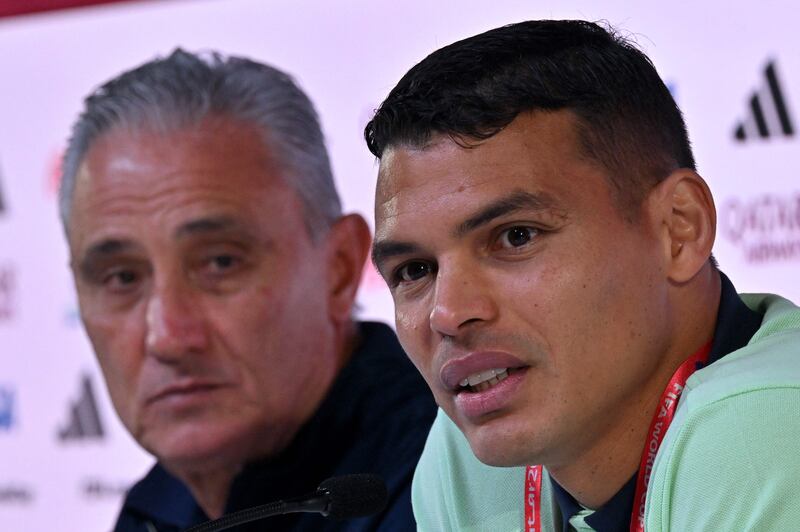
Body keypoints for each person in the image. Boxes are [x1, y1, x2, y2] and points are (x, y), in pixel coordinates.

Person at [365, 19, 800, 531]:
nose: (449, 313)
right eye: (415, 270)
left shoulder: (771, 428)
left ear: (678, 229)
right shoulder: (470, 461)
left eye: (516, 237)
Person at [59, 49, 436, 532]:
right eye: (122, 278)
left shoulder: (454, 488)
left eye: (220, 263)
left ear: (339, 269)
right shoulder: (156, 507)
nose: (168, 338)